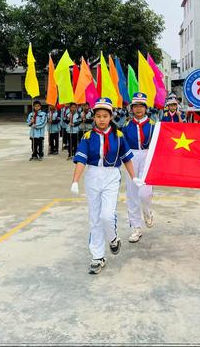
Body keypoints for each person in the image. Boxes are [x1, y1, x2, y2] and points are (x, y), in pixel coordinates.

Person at [70, 97, 141, 275]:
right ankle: (97, 256)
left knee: (107, 216)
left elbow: (127, 159)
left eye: (105, 116)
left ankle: (113, 238)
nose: (101, 119)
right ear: (94, 117)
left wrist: (134, 178)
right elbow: (81, 160)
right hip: (93, 176)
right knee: (95, 218)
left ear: (111, 117)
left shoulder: (119, 136)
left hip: (111, 176)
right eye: (98, 116)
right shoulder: (87, 137)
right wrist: (75, 181)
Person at [121, 92, 156, 243]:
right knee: (132, 193)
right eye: (136, 106)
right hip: (132, 158)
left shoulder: (154, 125)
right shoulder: (127, 125)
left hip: (148, 156)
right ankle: (136, 227)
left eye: (142, 106)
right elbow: (123, 145)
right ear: (132, 108)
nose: (139, 109)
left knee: (145, 192)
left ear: (146, 108)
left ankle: (147, 212)